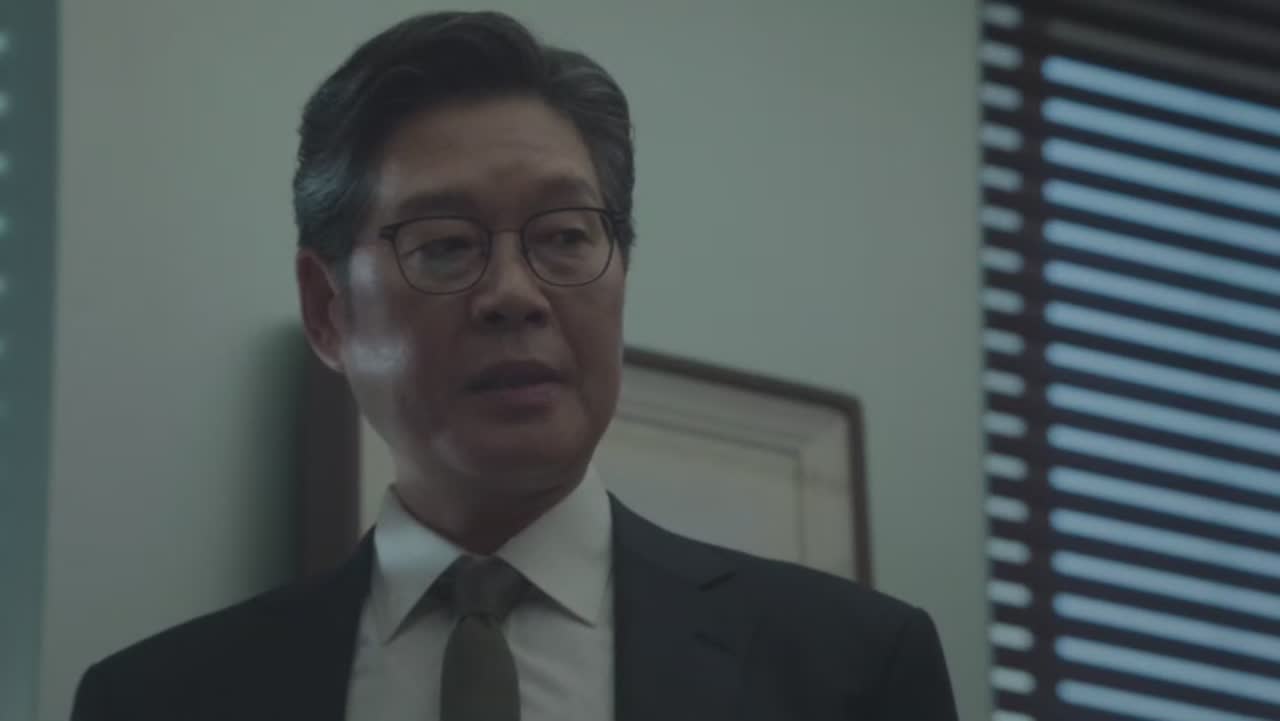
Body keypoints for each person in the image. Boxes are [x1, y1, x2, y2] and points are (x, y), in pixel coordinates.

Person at [70, 11, 958, 721]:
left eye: (564, 236)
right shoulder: (157, 699)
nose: (513, 294)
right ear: (328, 309)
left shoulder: (848, 671)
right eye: (446, 245)